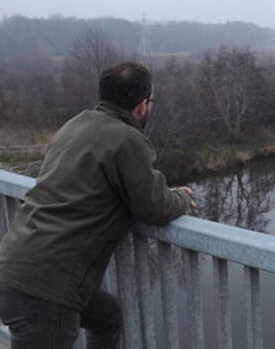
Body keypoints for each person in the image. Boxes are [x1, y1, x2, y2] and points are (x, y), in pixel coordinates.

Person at [0, 61, 195, 348]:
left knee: (106, 316)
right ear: (141, 106)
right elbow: (154, 207)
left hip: (14, 266)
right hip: (45, 290)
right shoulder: (127, 139)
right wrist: (183, 197)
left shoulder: (75, 124)